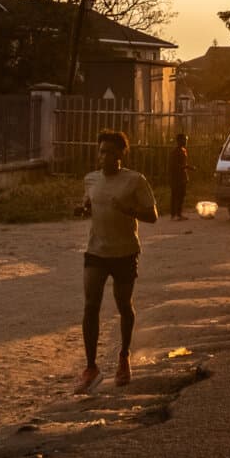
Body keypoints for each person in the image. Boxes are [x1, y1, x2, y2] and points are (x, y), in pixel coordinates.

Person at [74, 130, 158, 394]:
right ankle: (91, 367)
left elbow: (152, 216)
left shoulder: (135, 181)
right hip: (96, 252)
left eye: (110, 152)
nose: (104, 157)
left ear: (122, 154)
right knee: (90, 306)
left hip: (124, 253)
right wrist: (83, 209)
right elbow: (90, 204)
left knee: (124, 305)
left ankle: (124, 356)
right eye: (101, 151)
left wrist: (128, 210)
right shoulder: (91, 179)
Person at [168, 133, 194, 220]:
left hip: (182, 177)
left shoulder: (183, 150)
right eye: (184, 140)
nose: (186, 141)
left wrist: (187, 168)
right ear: (179, 141)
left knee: (181, 196)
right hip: (176, 178)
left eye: (186, 140)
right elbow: (174, 165)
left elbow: (183, 164)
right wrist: (187, 167)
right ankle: (174, 214)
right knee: (176, 196)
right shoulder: (175, 152)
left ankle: (178, 214)